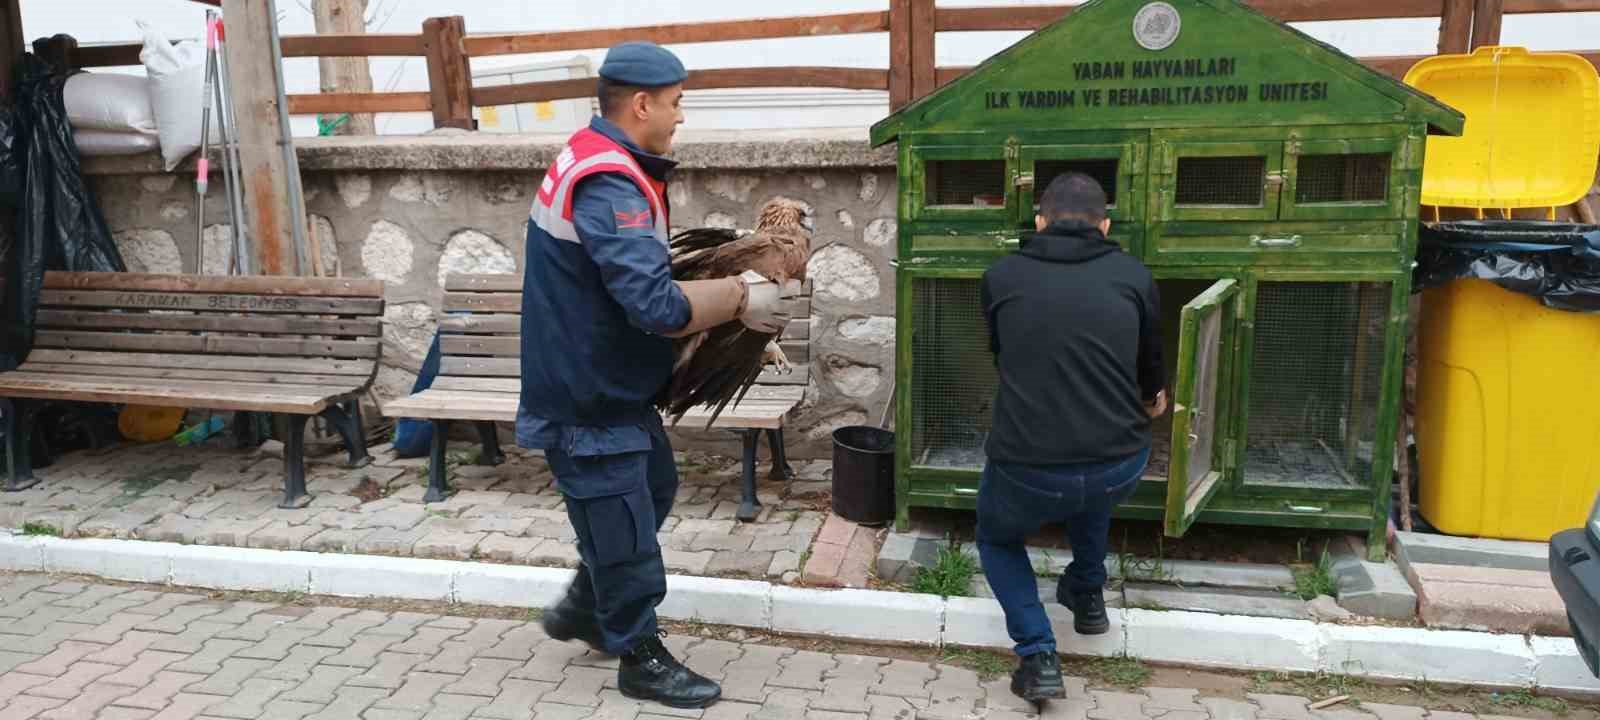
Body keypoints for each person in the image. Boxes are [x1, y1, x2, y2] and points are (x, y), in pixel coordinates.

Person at [517, 41, 802, 709]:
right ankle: (638, 654)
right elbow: (655, 305)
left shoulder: (601, 159)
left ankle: (587, 606)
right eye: (675, 105)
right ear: (641, 103)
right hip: (588, 394)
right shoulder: (609, 179)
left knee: (651, 487)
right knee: (623, 522)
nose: (679, 118)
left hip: (608, 383)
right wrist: (739, 296)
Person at [976, 172, 1167, 701]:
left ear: (1040, 221)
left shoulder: (1000, 276)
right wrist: (1154, 397)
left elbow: (1002, 354)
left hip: (1026, 464)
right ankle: (1086, 595)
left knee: (995, 538)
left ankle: (1038, 655)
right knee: (1093, 486)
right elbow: (1151, 368)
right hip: (1120, 462)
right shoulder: (1134, 275)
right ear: (1104, 226)